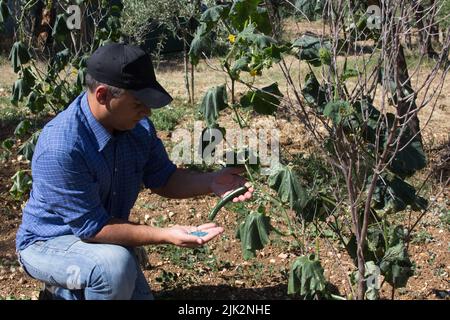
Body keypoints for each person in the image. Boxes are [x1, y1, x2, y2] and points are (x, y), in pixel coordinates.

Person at [15, 42, 254, 300]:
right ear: (103, 96)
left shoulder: (138, 129)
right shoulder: (62, 146)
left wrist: (212, 182)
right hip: (48, 243)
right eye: (139, 102)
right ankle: (63, 289)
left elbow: (165, 179)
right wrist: (166, 234)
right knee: (113, 268)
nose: (148, 111)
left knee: (116, 266)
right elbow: (93, 229)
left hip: (103, 242)